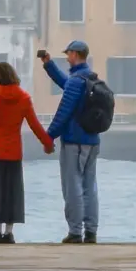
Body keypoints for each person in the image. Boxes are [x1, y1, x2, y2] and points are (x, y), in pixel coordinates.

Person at [0, 61, 54, 244]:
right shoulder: (23, 97)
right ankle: (9, 232)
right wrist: (47, 143)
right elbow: (34, 124)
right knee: (12, 191)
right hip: (13, 152)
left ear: (1, 76)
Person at [41, 41, 100, 244]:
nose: (67, 57)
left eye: (68, 54)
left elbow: (64, 111)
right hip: (93, 141)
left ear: (75, 54)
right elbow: (65, 83)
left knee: (72, 186)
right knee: (89, 186)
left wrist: (48, 136)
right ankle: (91, 232)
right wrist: (49, 65)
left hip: (75, 141)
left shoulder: (76, 81)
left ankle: (75, 232)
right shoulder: (89, 78)